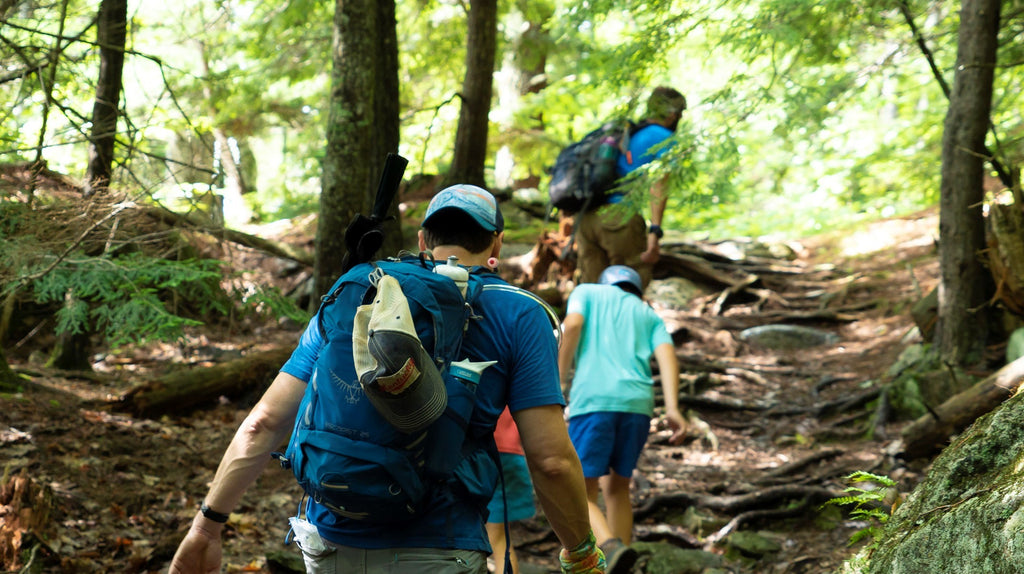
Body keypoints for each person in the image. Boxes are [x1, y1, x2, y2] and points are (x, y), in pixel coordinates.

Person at [168, 184, 605, 574]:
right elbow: (549, 460)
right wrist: (581, 555)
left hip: (328, 542)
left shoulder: (358, 291)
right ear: (497, 241)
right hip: (439, 546)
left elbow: (262, 423)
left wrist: (206, 528)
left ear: (421, 241)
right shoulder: (521, 312)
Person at [558, 264, 688, 574]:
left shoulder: (587, 291)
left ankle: (610, 548)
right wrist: (673, 408)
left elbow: (573, 325)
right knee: (618, 488)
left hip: (595, 401)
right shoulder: (646, 313)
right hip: (638, 405)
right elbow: (668, 356)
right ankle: (622, 563)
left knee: (581, 491)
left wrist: (558, 381)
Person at [576, 86, 688, 288]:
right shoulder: (662, 136)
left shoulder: (628, 133)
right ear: (672, 114)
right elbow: (660, 183)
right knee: (629, 288)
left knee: (592, 293)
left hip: (586, 218)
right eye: (680, 113)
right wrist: (655, 231)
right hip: (619, 219)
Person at [485, 407, 535, 574]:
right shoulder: (512, 382)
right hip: (512, 455)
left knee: (495, 538)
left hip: (484, 454)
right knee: (500, 537)